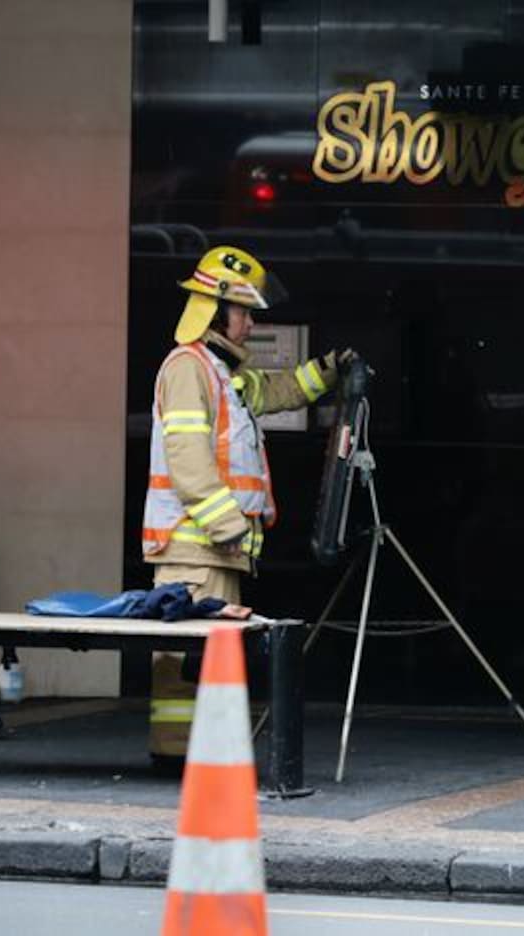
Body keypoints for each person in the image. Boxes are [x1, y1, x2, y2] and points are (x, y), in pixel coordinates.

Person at [142, 245, 349, 768]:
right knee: (187, 664)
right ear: (214, 310)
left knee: (205, 661)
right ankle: (176, 759)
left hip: (214, 551)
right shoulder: (190, 368)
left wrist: (327, 371)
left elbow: (279, 391)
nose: (251, 322)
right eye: (243, 311)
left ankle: (191, 757)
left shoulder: (221, 372)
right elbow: (188, 461)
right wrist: (229, 525)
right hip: (197, 549)